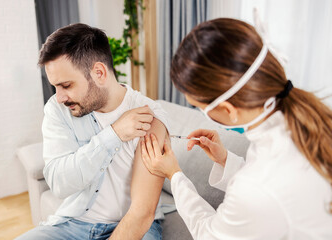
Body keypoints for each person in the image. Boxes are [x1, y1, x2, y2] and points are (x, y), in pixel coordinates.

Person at [141, 17, 332, 239]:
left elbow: (210, 234)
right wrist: (224, 159)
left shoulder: (257, 183)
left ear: (228, 109)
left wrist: (174, 175)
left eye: (199, 106)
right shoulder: (300, 125)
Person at [16, 23, 169, 240]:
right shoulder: (57, 110)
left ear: (99, 72)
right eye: (55, 87)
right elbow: (59, 183)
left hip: (136, 226)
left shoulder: (149, 116)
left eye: (66, 85)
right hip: (74, 224)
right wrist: (113, 135)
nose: (59, 97)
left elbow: (142, 212)